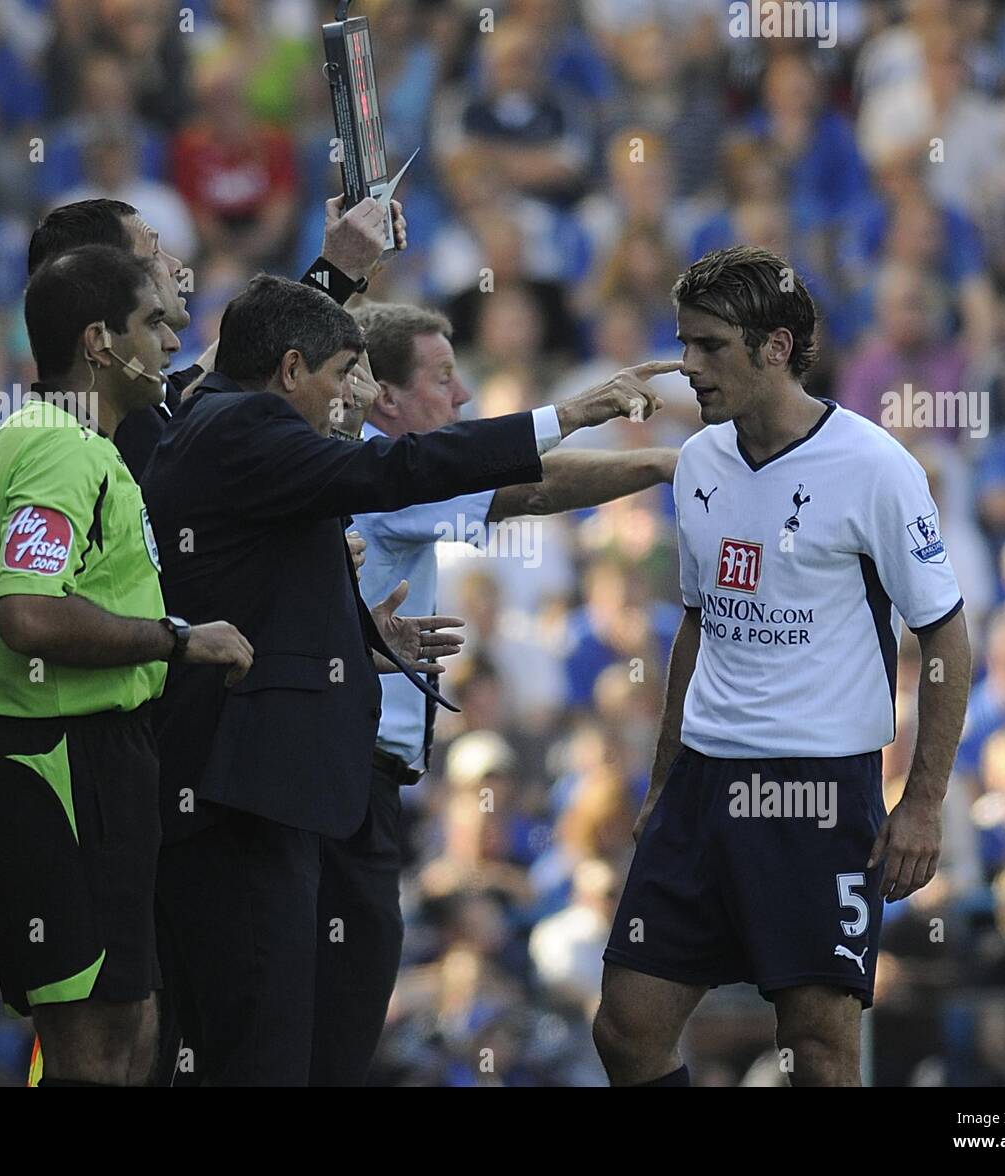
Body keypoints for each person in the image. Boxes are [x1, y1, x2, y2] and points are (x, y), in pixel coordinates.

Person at [141, 274, 670, 1085]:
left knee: (275, 1039)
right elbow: (421, 473)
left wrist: (357, 641)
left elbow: (266, 596)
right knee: (274, 1048)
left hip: (277, 787)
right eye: (338, 374)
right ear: (289, 370)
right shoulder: (248, 428)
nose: (343, 400)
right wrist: (571, 416)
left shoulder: (231, 432)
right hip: (264, 791)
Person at [592, 245, 972, 1088]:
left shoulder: (875, 468)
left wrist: (925, 801)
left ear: (775, 346)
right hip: (703, 783)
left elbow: (946, 638)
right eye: (684, 343)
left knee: (818, 1044)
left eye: (710, 347)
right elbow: (698, 626)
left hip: (817, 786)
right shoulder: (698, 462)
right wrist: (662, 783)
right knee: (626, 1029)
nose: (688, 367)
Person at [327, 301, 677, 1083]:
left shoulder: (356, 463)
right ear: (384, 396)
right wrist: (660, 463)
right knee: (343, 1005)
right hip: (353, 780)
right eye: (444, 378)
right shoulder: (390, 470)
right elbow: (530, 483)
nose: (459, 398)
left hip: (358, 774)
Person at [0, 245, 252, 1086]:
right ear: (99, 343)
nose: (172, 336)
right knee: (89, 1046)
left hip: (82, 761)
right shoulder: (60, 452)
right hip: (53, 763)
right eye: (153, 322)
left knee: (126, 1028)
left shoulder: (57, 441)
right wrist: (177, 639)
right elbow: (30, 612)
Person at [26, 193, 406, 480]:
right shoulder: (107, 431)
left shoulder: (144, 400)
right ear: (104, 276)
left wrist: (339, 268)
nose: (176, 266)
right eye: (156, 252)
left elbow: (236, 359)